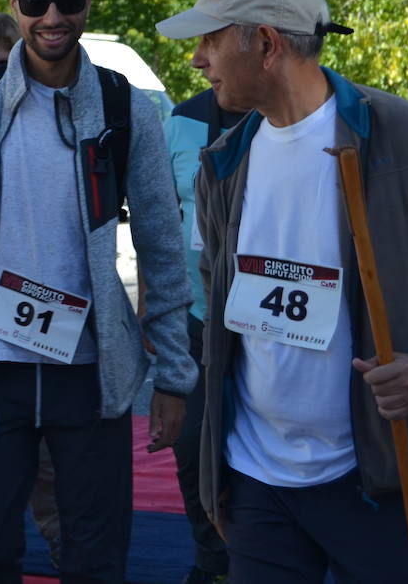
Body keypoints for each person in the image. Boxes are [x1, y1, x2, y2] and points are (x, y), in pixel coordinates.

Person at [155, 0, 408, 583]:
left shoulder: (405, 140)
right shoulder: (223, 162)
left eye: (211, 40)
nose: (198, 60)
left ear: (266, 44)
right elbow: (223, 303)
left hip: (380, 473)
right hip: (255, 482)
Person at [0, 0, 195, 584]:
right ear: (13, 3)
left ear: (88, 0)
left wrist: (175, 377)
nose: (52, 18)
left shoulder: (125, 108)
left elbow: (162, 245)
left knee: (96, 560)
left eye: (67, 1)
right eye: (35, 3)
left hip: (92, 378)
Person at [161, 88, 243, 584]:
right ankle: (212, 561)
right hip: (195, 314)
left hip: (270, 326)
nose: (198, 59)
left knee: (258, 453)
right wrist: (154, 296)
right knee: (191, 449)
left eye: (211, 42)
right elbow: (161, 214)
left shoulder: (294, 112)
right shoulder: (184, 119)